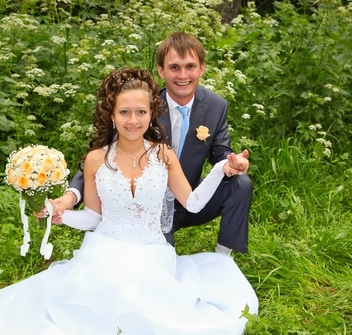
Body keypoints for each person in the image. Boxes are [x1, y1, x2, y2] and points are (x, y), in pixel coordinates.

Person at [0, 68, 258, 335]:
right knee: (108, 287)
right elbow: (92, 218)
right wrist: (60, 214)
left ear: (151, 114)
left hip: (152, 250)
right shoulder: (96, 159)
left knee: (141, 294)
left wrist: (221, 170)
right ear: (111, 115)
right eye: (124, 112)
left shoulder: (164, 155)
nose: (133, 120)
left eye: (141, 112)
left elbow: (193, 203)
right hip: (105, 246)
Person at [49, 32, 252, 256]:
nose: (183, 75)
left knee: (241, 183)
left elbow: (222, 154)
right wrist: (68, 199)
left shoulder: (215, 106)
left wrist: (230, 164)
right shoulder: (139, 102)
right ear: (161, 70)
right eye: (174, 67)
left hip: (189, 196)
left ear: (201, 68)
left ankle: (223, 258)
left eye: (190, 66)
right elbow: (101, 160)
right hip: (149, 206)